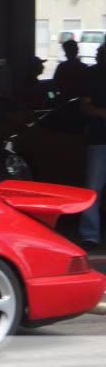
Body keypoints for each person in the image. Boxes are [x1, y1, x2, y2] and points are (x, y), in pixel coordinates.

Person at [79, 44, 106, 251]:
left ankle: (90, 235)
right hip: (99, 140)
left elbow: (85, 106)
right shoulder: (93, 75)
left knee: (92, 189)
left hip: (98, 140)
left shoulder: (92, 73)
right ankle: (90, 234)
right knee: (92, 190)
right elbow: (85, 105)